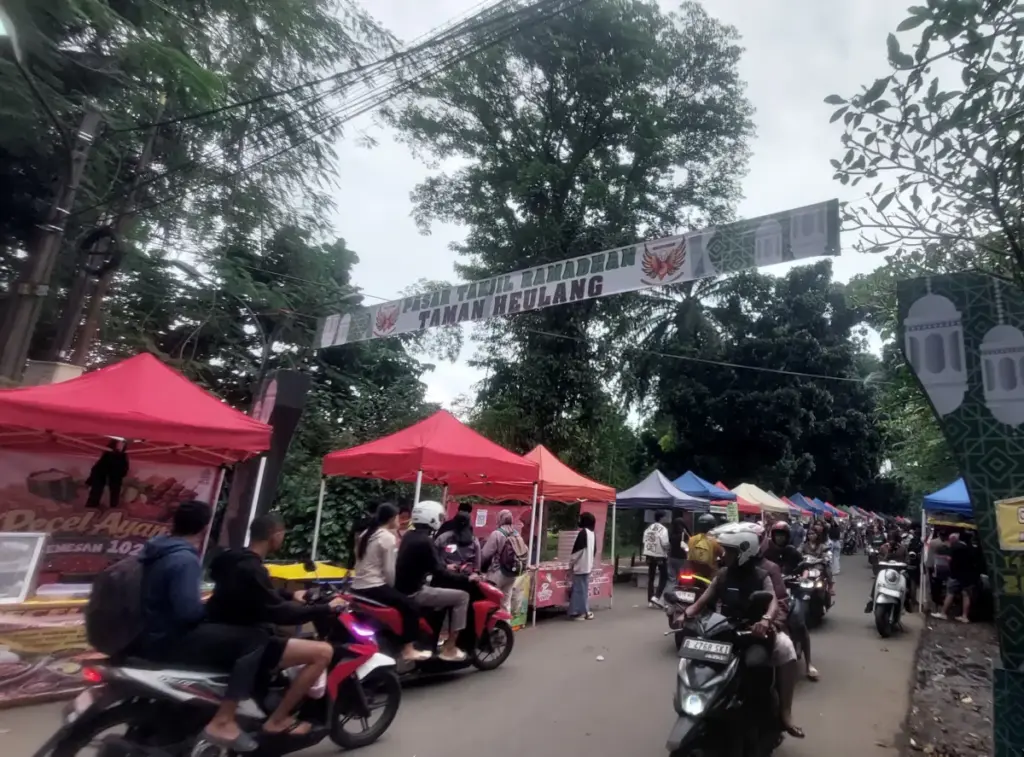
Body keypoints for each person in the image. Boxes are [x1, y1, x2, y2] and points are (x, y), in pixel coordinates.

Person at [135, 501, 268, 752]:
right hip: (172, 637)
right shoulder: (184, 558)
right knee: (255, 639)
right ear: (205, 527)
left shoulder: (156, 550)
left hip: (151, 631)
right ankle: (224, 719)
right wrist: (207, 610)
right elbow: (188, 612)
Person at [205, 513, 340, 737]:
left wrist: (290, 594)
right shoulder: (252, 568)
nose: (283, 538)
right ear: (274, 535)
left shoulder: (233, 560)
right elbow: (277, 612)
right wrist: (325, 608)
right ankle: (277, 720)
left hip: (225, 631)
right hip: (247, 638)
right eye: (283, 534)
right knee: (323, 652)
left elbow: (258, 595)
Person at [683, 525, 803, 739]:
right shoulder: (722, 574)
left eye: (729, 551)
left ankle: (784, 712)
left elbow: (773, 601)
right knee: (698, 662)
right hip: (724, 629)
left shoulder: (763, 574)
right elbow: (703, 600)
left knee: (780, 653)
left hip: (754, 632)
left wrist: (766, 620)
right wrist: (686, 613)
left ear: (743, 552)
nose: (723, 554)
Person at [395, 500, 475, 662]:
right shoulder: (427, 541)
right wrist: (466, 578)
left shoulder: (409, 535)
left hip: (405, 587)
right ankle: (450, 648)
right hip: (416, 591)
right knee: (463, 597)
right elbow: (439, 570)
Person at [350, 504, 432, 663]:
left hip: (357, 587)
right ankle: (408, 649)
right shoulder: (387, 537)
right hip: (373, 586)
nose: (399, 520)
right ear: (391, 519)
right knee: (410, 606)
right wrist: (394, 588)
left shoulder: (367, 533)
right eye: (397, 517)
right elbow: (389, 571)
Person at [760, 521, 817, 681]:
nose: (779, 538)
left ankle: (809, 664)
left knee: (799, 621)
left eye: (782, 535)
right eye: (777, 535)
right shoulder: (766, 552)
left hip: (792, 589)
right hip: (771, 591)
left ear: (787, 537)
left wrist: (803, 577)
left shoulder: (792, 551)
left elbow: (804, 567)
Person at [481, 510, 522, 612]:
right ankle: (505, 625)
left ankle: (491, 625)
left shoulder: (497, 534)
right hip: (512, 573)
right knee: (505, 603)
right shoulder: (516, 534)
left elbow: (485, 554)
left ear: (500, 519)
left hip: (497, 573)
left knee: (491, 601)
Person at [933, 532, 977, 623]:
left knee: (950, 593)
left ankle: (943, 613)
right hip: (969, 575)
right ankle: (964, 616)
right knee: (966, 595)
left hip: (956, 574)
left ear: (953, 539)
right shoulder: (969, 547)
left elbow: (950, 559)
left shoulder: (955, 547)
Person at [568, 511, 597, 621]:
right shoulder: (592, 534)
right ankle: (585, 611)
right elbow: (594, 550)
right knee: (583, 590)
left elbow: (577, 552)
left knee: (578, 590)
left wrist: (570, 563)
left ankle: (578, 612)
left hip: (580, 566)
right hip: (588, 565)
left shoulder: (583, 533)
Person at [435, 507, 481, 575]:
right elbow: (477, 565)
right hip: (465, 577)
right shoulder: (474, 541)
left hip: (444, 575)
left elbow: (432, 555)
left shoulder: (443, 538)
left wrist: (445, 566)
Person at [642, 511, 670, 608]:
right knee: (664, 576)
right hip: (660, 555)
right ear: (661, 518)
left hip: (649, 554)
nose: (666, 519)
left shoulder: (648, 528)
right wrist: (667, 550)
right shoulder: (663, 529)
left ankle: (650, 599)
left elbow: (644, 540)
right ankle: (657, 596)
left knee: (651, 577)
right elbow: (665, 543)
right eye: (665, 517)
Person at [685, 513, 722, 583]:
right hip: (709, 576)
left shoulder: (691, 539)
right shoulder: (715, 542)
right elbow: (723, 556)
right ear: (712, 526)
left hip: (693, 573)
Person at [666, 517, 689, 585]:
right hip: (682, 558)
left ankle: (671, 591)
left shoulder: (671, 535)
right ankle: (677, 591)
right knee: (680, 577)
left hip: (672, 557)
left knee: (672, 577)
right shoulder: (684, 535)